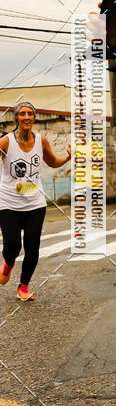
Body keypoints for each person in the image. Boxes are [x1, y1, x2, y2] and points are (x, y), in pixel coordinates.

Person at [0, 101, 71, 301]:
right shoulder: (6, 141)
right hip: (8, 203)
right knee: (13, 245)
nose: (26, 117)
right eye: (22, 114)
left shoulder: (42, 140)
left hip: (35, 204)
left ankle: (23, 286)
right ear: (16, 117)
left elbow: (52, 162)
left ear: (34, 117)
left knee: (33, 247)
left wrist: (67, 158)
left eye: (29, 113)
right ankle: (8, 264)